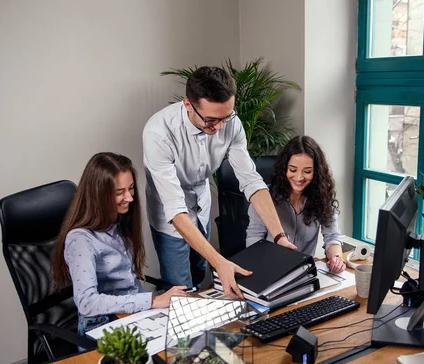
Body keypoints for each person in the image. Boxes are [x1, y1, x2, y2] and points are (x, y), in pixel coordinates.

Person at [143, 66, 296, 298]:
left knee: (198, 273)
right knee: (180, 290)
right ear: (188, 104)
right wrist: (220, 261)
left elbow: (251, 181)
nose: (220, 127)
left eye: (226, 117)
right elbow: (175, 209)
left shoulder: (230, 123)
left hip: (200, 203)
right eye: (211, 120)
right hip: (170, 214)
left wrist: (279, 237)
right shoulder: (158, 133)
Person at [52, 152, 188, 337]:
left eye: (130, 188)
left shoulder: (117, 223)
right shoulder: (80, 240)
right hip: (102, 325)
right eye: (119, 192)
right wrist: (153, 301)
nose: (130, 198)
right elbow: (87, 303)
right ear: (98, 194)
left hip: (133, 316)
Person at [246, 136, 345, 273]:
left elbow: (332, 236)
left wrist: (336, 258)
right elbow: (254, 239)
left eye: (307, 171)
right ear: (284, 168)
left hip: (303, 273)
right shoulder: (264, 197)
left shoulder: (323, 197)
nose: (299, 177)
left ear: (316, 172)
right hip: (269, 269)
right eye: (293, 170)